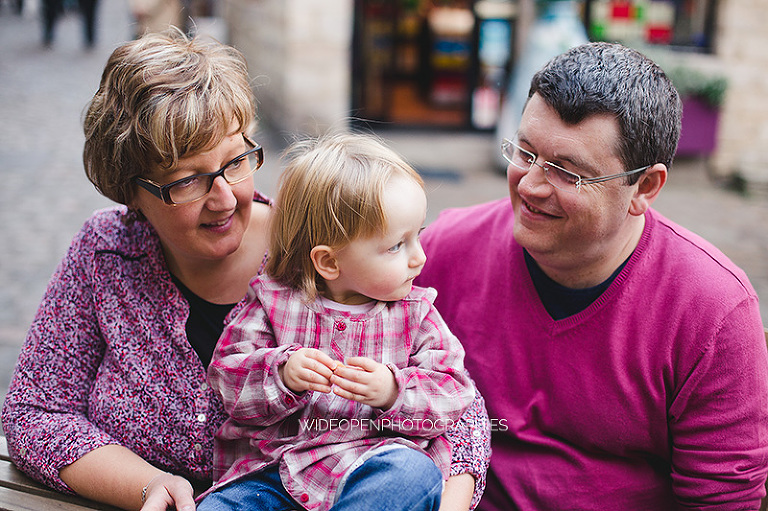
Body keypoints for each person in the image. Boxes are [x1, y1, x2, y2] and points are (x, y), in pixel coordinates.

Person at [1, 29, 490, 511]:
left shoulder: (327, 252)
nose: (224, 197)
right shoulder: (106, 252)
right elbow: (34, 412)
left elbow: (460, 408)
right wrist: (147, 484)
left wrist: (428, 496)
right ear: (130, 190)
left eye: (236, 160)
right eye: (187, 180)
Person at [416, 41, 768, 510]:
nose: (530, 185)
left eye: (567, 172)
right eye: (524, 152)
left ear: (644, 187)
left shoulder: (711, 309)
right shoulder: (444, 249)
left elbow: (721, 500)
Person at [199, 133, 477, 511]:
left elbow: (453, 392)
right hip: (276, 474)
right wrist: (282, 373)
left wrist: (394, 392)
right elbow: (228, 382)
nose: (419, 258)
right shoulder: (273, 302)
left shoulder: (416, 314)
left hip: (373, 465)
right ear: (329, 262)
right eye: (397, 245)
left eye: (418, 237)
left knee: (414, 475)